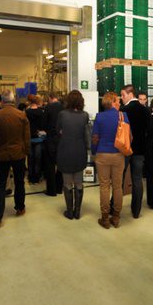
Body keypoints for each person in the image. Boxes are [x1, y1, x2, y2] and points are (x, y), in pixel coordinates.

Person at [0, 90, 31, 229]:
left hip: (2, 155)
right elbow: (26, 137)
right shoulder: (22, 115)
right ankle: (20, 208)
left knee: (0, 185)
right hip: (19, 154)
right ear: (13, 100)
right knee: (19, 182)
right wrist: (26, 152)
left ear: (2, 101)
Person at [91, 92, 128, 228]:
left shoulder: (99, 117)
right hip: (118, 155)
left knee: (104, 186)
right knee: (118, 186)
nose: (119, 102)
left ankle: (105, 218)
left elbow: (95, 137)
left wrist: (94, 151)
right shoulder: (123, 116)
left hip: (102, 154)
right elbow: (129, 136)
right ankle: (116, 217)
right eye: (117, 100)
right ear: (112, 102)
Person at [56, 90, 90, 219]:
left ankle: (69, 212)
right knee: (79, 182)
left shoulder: (62, 114)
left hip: (65, 150)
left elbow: (58, 131)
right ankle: (78, 212)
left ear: (68, 100)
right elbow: (86, 134)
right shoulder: (85, 115)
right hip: (80, 151)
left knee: (67, 183)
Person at [120, 84, 150, 218]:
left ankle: (115, 207)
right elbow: (147, 131)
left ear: (130, 94)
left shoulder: (123, 110)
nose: (121, 98)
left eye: (123, 95)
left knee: (119, 179)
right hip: (140, 150)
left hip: (125, 149)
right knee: (137, 180)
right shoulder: (145, 110)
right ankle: (136, 211)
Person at [43, 92, 64, 196]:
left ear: (51, 98)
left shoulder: (48, 107)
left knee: (50, 165)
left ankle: (51, 190)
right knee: (60, 164)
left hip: (51, 138)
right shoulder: (64, 108)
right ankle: (59, 188)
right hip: (62, 139)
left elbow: (43, 124)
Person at [25, 94, 45, 184]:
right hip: (39, 139)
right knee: (38, 160)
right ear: (37, 102)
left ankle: (30, 177)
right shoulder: (41, 112)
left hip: (29, 138)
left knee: (30, 159)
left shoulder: (26, 112)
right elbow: (43, 125)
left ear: (30, 102)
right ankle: (37, 178)